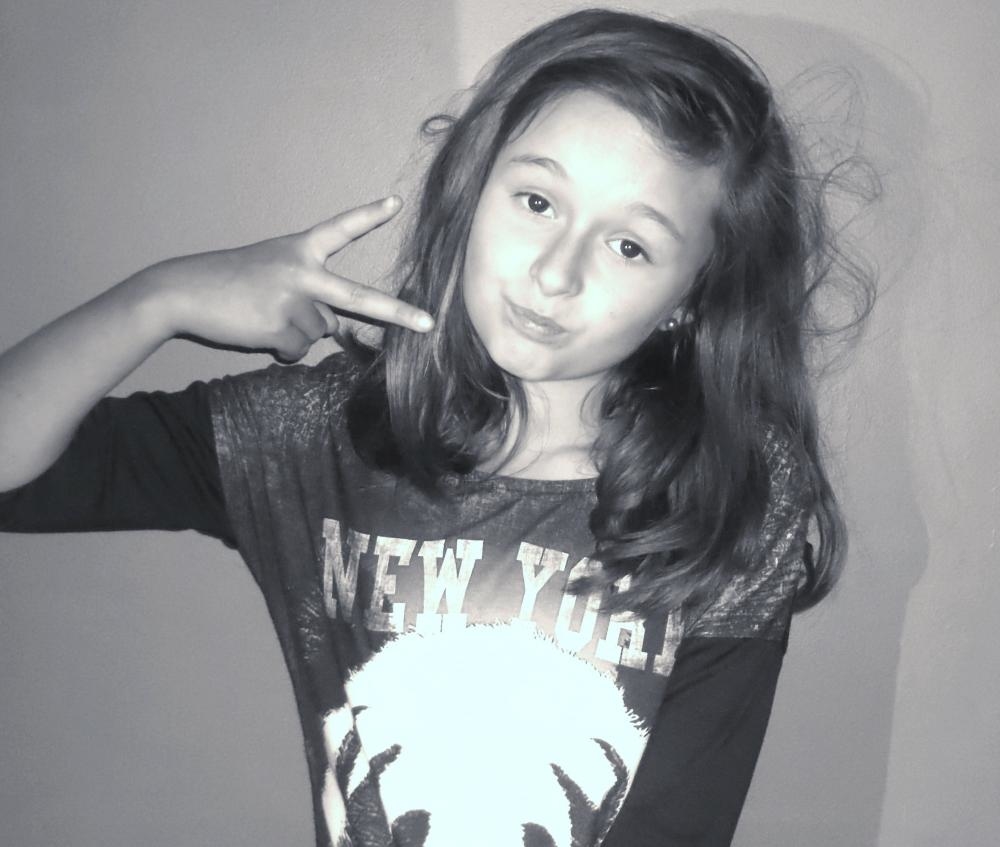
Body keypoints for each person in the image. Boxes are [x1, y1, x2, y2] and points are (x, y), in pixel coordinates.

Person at [0, 8, 868, 847]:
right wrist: (159, 299)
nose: (556, 272)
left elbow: (681, 824)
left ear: (691, 298)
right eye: (537, 201)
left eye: (629, 246)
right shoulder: (315, 437)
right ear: (472, 189)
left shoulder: (728, 493)